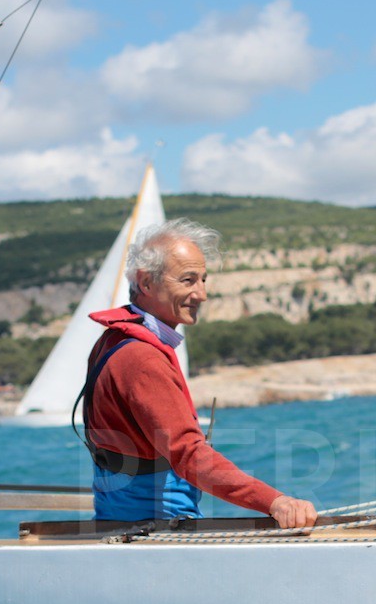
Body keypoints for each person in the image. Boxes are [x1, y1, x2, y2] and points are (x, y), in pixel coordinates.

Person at [80, 218, 318, 529]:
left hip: (118, 519)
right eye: (189, 280)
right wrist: (275, 501)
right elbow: (188, 454)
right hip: (155, 526)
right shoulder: (142, 358)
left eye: (203, 280)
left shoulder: (113, 341)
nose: (202, 294)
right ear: (147, 282)